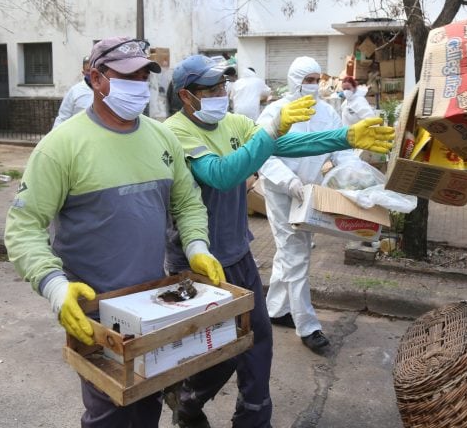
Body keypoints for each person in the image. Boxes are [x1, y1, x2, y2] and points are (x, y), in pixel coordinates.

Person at [163, 54, 395, 428]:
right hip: (197, 261)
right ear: (187, 96)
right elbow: (222, 174)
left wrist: (345, 137)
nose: (221, 94)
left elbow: (285, 147)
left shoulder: (232, 122)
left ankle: (253, 419)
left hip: (237, 252)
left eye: (223, 86)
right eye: (211, 89)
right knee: (218, 351)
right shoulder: (174, 132)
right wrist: (270, 132)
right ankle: (187, 401)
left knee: (258, 339)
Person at [4, 37, 225, 428]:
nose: (139, 85)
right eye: (127, 76)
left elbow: (187, 202)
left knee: (146, 401)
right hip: (94, 310)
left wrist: (196, 248)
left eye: (144, 76)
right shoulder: (60, 148)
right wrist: (55, 288)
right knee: (110, 413)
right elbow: (23, 228)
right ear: (96, 79)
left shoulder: (162, 138)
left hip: (155, 303)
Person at [256, 57, 371, 353]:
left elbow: (339, 145)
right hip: (282, 192)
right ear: (294, 81)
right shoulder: (275, 111)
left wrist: (352, 175)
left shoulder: (327, 112)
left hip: (310, 193)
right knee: (296, 253)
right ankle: (307, 326)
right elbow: (262, 155)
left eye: (316, 78)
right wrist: (289, 182)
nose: (312, 85)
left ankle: (275, 310)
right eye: (306, 79)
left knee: (292, 251)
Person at [53, 55, 93, 128]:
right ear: (83, 73)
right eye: (88, 70)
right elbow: (63, 117)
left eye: (93, 69)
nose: (91, 73)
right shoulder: (75, 91)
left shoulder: (107, 90)